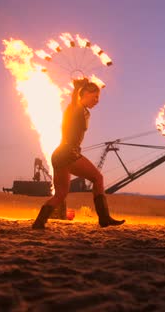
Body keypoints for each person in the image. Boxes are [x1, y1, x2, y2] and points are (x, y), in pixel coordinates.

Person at [32, 78, 125, 229]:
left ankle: (39, 222)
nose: (97, 101)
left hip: (60, 154)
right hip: (68, 153)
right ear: (86, 94)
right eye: (95, 97)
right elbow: (74, 101)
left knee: (61, 194)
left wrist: (79, 89)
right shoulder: (76, 107)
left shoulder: (83, 111)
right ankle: (104, 218)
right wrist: (77, 88)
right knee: (98, 178)